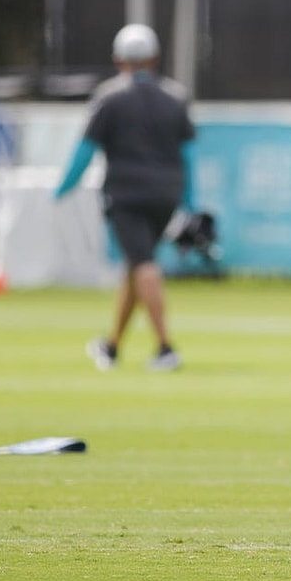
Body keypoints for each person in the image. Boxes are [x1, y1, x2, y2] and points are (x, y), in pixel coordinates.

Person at [54, 23, 195, 371]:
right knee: (136, 265)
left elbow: (85, 151)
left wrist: (62, 188)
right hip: (167, 194)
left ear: (118, 60)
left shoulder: (109, 98)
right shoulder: (175, 98)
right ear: (155, 58)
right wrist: (190, 202)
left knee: (144, 265)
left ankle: (165, 348)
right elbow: (188, 155)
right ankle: (112, 346)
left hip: (126, 195)